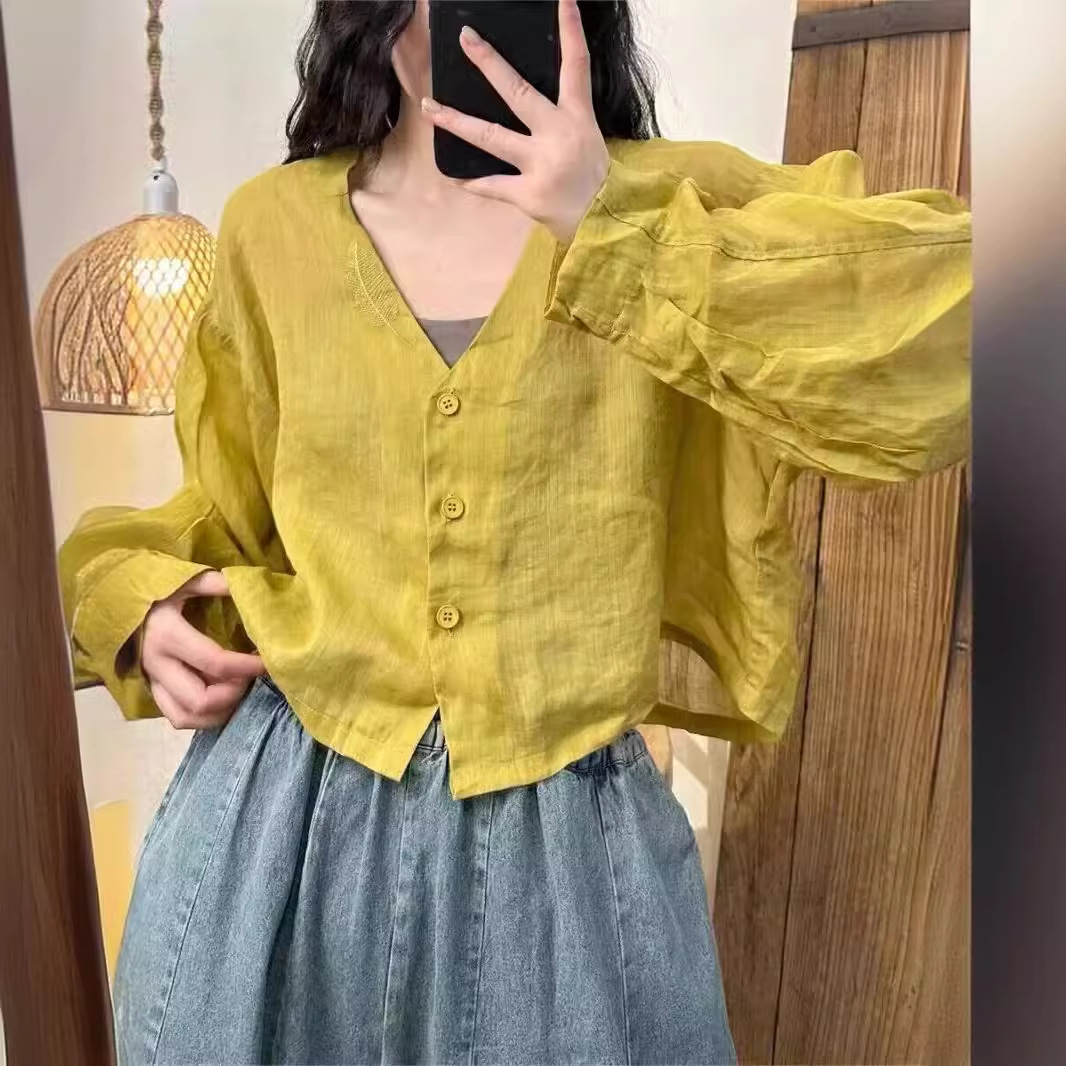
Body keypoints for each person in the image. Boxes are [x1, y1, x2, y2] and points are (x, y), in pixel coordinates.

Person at [58, 1, 971, 1063]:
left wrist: (608, 226)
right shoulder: (272, 228)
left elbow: (954, 331)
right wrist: (137, 607)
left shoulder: (664, 203)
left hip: (566, 871)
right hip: (276, 844)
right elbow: (225, 511)